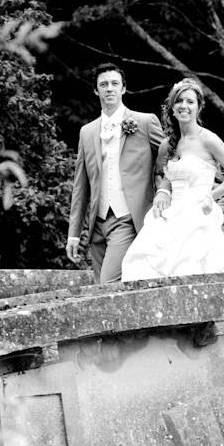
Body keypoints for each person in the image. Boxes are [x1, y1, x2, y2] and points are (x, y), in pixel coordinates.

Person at [121, 77, 224, 281]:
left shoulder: (208, 139)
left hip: (197, 213)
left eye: (190, 101)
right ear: (172, 108)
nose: (184, 106)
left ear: (198, 108)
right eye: (179, 101)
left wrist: (211, 195)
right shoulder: (168, 144)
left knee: (190, 267)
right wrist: (163, 191)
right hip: (170, 213)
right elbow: (165, 174)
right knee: (146, 262)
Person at [66, 63, 167, 283]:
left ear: (123, 89)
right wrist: (74, 234)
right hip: (97, 226)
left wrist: (165, 190)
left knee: (107, 284)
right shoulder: (87, 132)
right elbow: (80, 186)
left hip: (127, 219)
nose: (109, 88)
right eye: (103, 84)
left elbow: (170, 158)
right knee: (102, 290)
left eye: (114, 84)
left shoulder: (144, 122)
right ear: (96, 90)